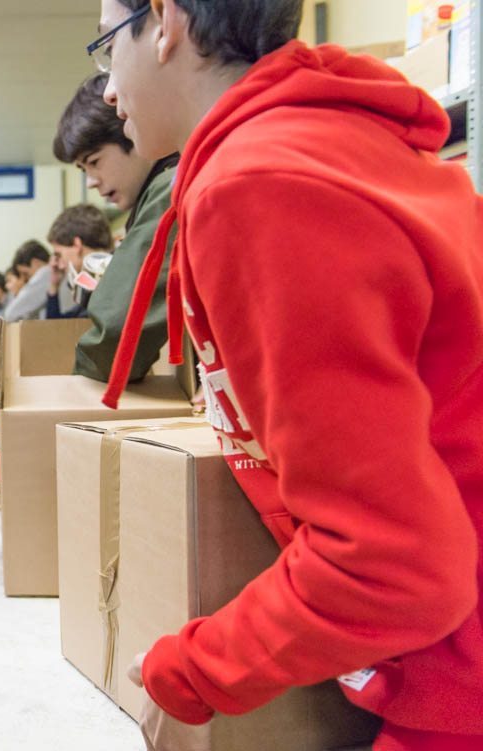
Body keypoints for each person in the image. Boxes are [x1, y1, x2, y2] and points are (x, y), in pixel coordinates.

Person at [97, 2, 483, 750]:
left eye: (107, 45)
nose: (109, 89)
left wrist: (195, 669)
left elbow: (386, 563)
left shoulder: (260, 185)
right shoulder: (332, 144)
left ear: (166, 21)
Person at [53, 72, 179, 382]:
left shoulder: (168, 190)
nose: (91, 182)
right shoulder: (158, 191)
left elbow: (115, 339)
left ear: (132, 131)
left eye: (94, 161)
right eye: (83, 169)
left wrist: (74, 391)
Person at [43, 203, 113, 319]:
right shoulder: (104, 279)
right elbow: (57, 325)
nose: (60, 265)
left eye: (59, 255)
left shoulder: (109, 287)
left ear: (77, 245)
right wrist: (54, 285)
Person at [0, 240, 52, 322]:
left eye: (26, 273)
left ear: (36, 263)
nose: (25, 280)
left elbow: (11, 314)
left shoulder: (46, 272)